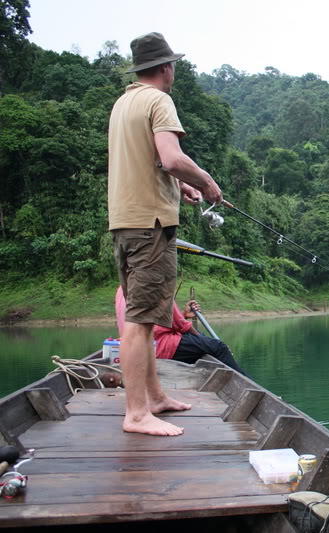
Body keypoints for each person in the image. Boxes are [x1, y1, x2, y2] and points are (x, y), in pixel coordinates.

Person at [108, 32, 223, 436]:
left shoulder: (124, 104)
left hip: (126, 221)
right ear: (166, 67)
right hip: (150, 226)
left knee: (148, 313)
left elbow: (152, 164)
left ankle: (154, 396)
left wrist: (181, 186)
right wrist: (206, 181)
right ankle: (137, 413)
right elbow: (171, 157)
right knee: (141, 322)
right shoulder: (159, 100)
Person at [114, 287, 248, 376]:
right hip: (159, 346)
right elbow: (183, 326)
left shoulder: (121, 288)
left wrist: (184, 314)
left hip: (132, 346)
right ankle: (246, 381)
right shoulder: (153, 283)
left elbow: (155, 320)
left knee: (205, 342)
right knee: (219, 347)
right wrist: (202, 338)